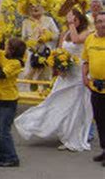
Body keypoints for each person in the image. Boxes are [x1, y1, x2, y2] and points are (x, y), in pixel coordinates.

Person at [15, 9, 93, 152]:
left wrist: (71, 25)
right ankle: (39, 125)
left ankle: (72, 136)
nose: (73, 23)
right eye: (71, 20)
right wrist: (58, 65)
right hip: (66, 73)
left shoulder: (86, 32)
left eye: (75, 20)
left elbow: (76, 40)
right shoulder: (66, 33)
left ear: (80, 20)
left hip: (78, 73)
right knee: (56, 101)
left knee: (74, 106)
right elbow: (58, 50)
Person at [0, 38, 26, 167]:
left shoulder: (16, 63)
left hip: (8, 100)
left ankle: (12, 157)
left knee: (4, 131)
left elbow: (1, 74)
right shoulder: (5, 56)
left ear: (13, 50)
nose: (6, 48)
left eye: (8, 47)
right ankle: (1, 153)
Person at [82, 11, 105, 167]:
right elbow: (85, 60)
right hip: (95, 87)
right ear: (95, 23)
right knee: (100, 120)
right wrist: (84, 76)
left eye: (104, 21)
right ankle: (104, 149)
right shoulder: (90, 39)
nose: (102, 24)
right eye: (99, 21)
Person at [22, 3, 59, 91]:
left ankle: (46, 93)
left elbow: (56, 34)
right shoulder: (26, 22)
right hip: (32, 52)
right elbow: (24, 37)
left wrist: (47, 37)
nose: (35, 8)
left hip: (46, 51)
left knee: (46, 75)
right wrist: (31, 42)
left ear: (42, 7)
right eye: (32, 7)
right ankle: (33, 92)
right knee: (30, 75)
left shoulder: (49, 20)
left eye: (38, 6)